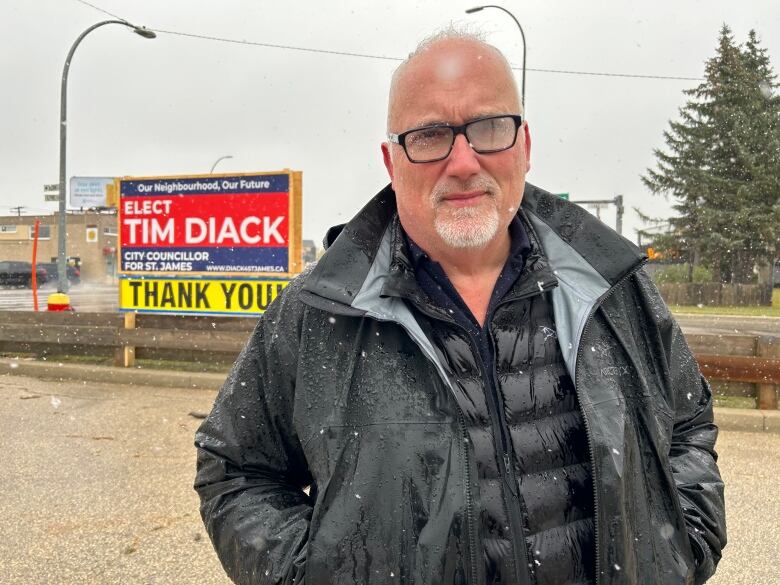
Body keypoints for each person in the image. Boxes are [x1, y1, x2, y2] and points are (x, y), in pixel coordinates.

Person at [194, 29, 726, 585]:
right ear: (391, 160)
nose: (464, 162)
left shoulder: (613, 289)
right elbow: (235, 471)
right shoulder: (316, 314)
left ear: (524, 144)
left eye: (489, 127)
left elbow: (686, 425)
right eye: (429, 135)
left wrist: (676, 550)